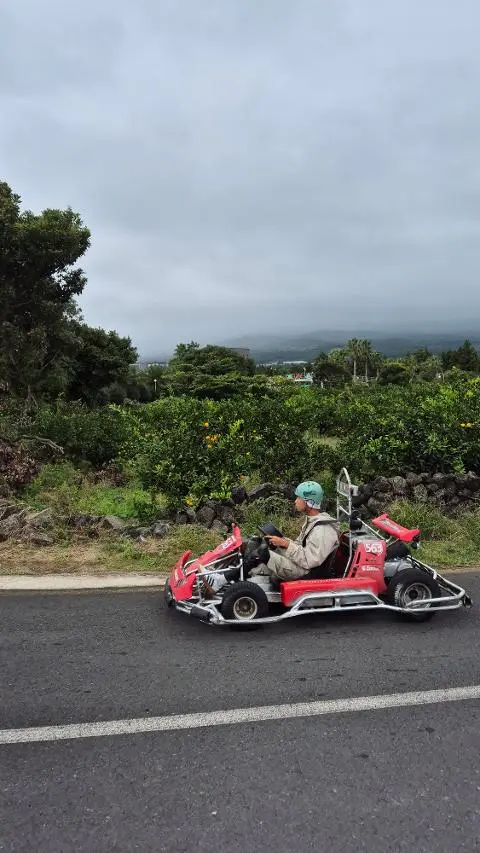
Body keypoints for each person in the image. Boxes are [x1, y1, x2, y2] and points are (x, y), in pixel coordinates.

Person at [249, 480, 338, 581]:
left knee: (262, 554)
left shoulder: (322, 530)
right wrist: (282, 542)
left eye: (299, 497)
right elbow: (300, 545)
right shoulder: (313, 520)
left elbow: (309, 560)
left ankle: (239, 587)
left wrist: (286, 544)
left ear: (309, 502)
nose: (295, 501)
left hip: (305, 572)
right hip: (301, 564)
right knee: (256, 543)